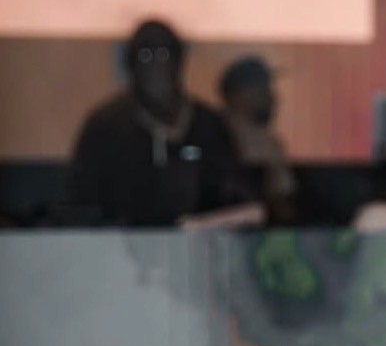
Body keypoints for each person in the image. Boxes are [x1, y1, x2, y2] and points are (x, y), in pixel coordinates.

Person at [68, 18, 246, 225]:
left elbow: (236, 199)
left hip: (200, 242)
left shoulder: (209, 126)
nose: (156, 65)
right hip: (123, 242)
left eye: (164, 55)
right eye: (145, 56)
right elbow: (82, 205)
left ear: (178, 63)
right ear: (132, 66)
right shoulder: (104, 128)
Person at [218, 54, 297, 222]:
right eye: (262, 88)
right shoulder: (218, 134)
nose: (272, 97)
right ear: (238, 94)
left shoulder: (267, 140)